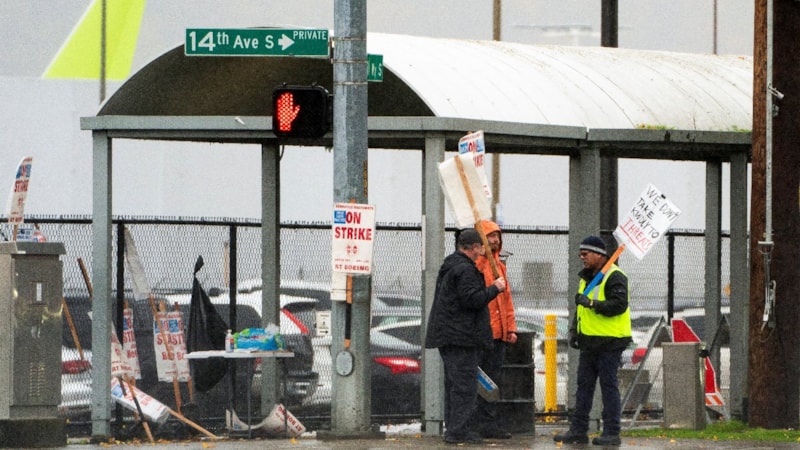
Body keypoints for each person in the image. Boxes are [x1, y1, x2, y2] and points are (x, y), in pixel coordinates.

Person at [425, 228, 507, 445]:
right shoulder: (465, 270)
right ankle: (458, 431)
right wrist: (494, 289)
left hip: (450, 336)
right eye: (481, 246)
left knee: (455, 385)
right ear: (473, 247)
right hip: (462, 337)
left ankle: (456, 427)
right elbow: (472, 299)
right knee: (465, 387)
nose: (483, 249)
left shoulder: (451, 266)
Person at [554, 235, 631, 447]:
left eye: (585, 253)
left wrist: (592, 303)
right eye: (581, 254)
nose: (582, 257)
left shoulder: (615, 276)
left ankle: (612, 432)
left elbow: (619, 305)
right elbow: (580, 308)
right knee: (583, 387)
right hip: (589, 342)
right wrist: (574, 330)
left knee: (608, 387)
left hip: (610, 342)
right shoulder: (587, 278)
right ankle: (578, 430)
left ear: (599, 255)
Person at [473, 220, 517, 439]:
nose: (496, 240)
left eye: (497, 236)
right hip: (483, 334)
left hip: (498, 334)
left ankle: (489, 423)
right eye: (491, 236)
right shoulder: (477, 265)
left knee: (492, 380)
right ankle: (477, 423)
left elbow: (506, 300)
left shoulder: (499, 266)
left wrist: (510, 328)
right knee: (480, 381)